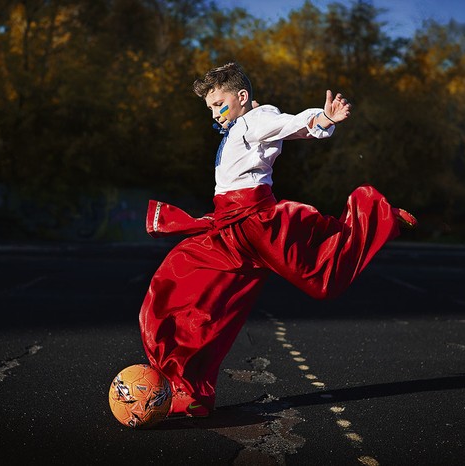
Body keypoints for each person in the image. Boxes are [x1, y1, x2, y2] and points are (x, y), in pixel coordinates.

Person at [138, 62, 416, 418]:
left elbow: (289, 124)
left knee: (321, 280)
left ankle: (378, 215)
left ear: (241, 96)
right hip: (228, 229)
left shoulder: (256, 120)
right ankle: (192, 393)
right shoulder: (242, 122)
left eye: (217, 102)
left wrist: (323, 119)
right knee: (188, 294)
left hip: (256, 223)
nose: (213, 111)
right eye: (208, 106)